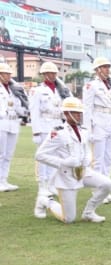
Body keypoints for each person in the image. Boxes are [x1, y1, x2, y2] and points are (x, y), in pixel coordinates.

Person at [34, 97, 111, 223]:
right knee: (68, 219)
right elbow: (40, 155)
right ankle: (46, 201)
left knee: (107, 184)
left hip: (83, 171)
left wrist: (88, 158)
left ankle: (89, 212)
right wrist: (63, 162)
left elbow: (85, 148)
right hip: (67, 176)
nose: (79, 115)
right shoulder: (58, 132)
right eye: (75, 112)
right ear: (66, 114)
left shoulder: (84, 130)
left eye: (79, 113)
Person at [83, 57, 111, 204]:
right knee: (98, 160)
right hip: (98, 124)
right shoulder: (91, 86)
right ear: (97, 70)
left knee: (109, 159)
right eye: (104, 67)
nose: (108, 69)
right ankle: (97, 190)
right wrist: (87, 130)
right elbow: (87, 108)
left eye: (108, 67)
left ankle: (106, 189)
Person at [29, 61, 72, 204]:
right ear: (44, 75)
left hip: (58, 125)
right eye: (49, 73)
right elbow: (34, 112)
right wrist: (35, 132)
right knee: (43, 158)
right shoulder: (37, 91)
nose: (52, 75)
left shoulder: (61, 90)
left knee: (56, 157)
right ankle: (42, 186)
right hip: (44, 125)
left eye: (54, 73)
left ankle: (52, 184)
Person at [0, 63, 28, 192]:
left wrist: (26, 111)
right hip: (1, 122)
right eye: (5, 74)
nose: (8, 76)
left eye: (9, 74)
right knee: (1, 153)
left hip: (13, 123)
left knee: (8, 154)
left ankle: (4, 180)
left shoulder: (13, 89)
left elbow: (17, 107)